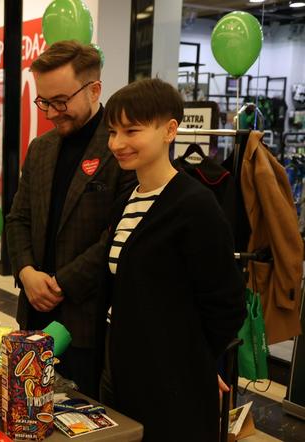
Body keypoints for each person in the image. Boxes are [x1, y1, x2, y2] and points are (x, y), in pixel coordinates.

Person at [101, 78, 245, 441]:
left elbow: (226, 303)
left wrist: (194, 362)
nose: (117, 143)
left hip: (171, 384)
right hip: (124, 369)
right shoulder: (126, 201)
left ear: (169, 130)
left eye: (131, 130)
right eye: (113, 131)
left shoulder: (194, 205)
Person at [5, 40, 135, 399]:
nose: (51, 112)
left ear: (94, 89)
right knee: (29, 411)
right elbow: (17, 218)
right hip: (32, 316)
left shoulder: (121, 148)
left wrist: (62, 282)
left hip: (88, 320)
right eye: (43, 101)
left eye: (60, 101)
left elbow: (118, 236)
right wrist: (27, 272)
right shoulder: (41, 148)